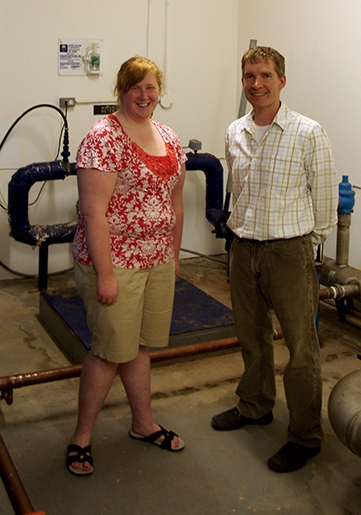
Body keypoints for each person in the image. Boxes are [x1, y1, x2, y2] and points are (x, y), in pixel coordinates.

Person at [211, 46, 338, 473]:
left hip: (289, 251)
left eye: (265, 75)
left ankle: (305, 435)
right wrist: (239, 236)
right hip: (243, 248)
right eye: (249, 76)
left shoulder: (307, 132)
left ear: (282, 80)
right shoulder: (235, 131)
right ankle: (254, 405)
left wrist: (306, 245)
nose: (256, 84)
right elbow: (239, 190)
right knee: (252, 337)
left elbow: (324, 200)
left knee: (301, 348)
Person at [66, 56, 186, 476]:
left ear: (160, 92)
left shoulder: (169, 136)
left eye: (151, 87)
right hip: (115, 262)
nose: (144, 95)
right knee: (108, 352)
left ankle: (142, 423)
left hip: (155, 259)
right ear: (121, 89)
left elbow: (175, 201)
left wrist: (173, 256)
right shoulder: (103, 137)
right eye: (135, 87)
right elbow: (94, 212)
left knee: (139, 347)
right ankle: (81, 437)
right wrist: (104, 275)